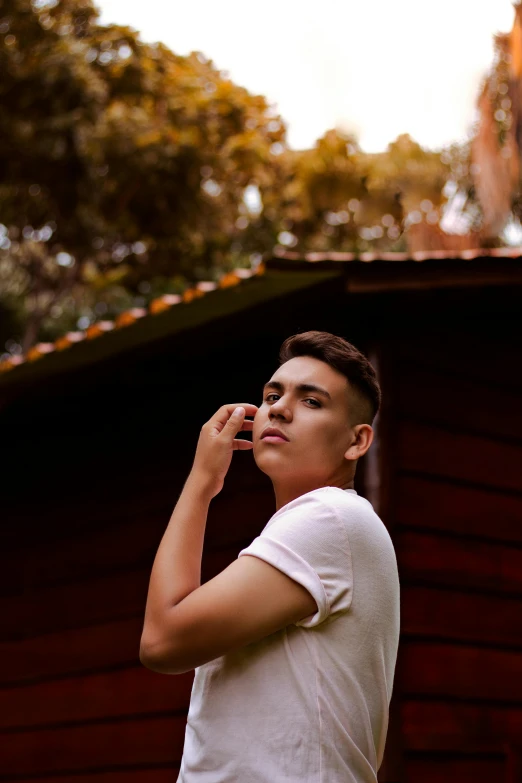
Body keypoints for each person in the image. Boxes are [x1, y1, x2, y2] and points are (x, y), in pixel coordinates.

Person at [139, 330, 401, 783]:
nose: (278, 408)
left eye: (312, 401)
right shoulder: (318, 528)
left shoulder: (329, 518)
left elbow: (162, 641)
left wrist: (202, 482)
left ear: (357, 442)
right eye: (272, 394)